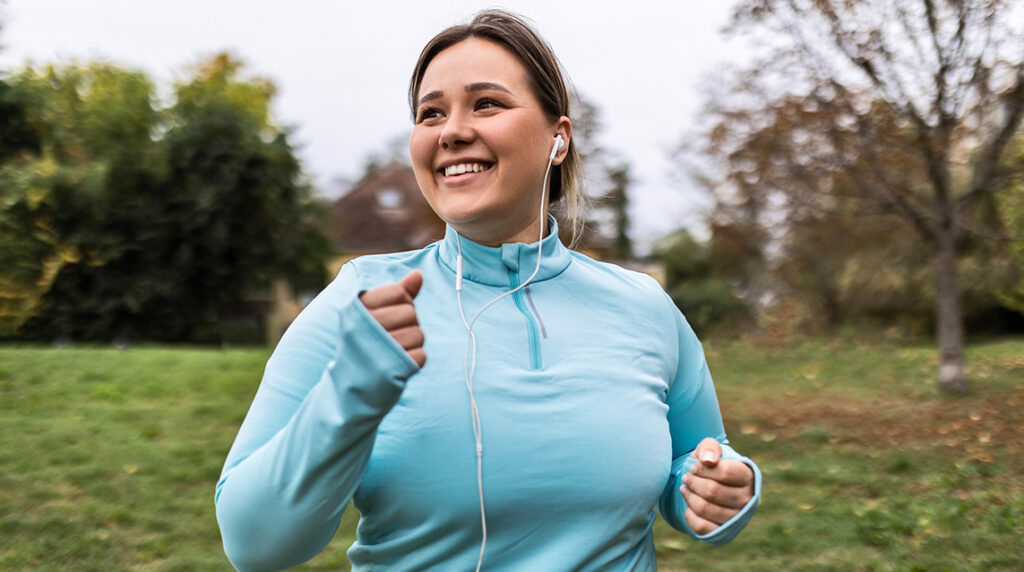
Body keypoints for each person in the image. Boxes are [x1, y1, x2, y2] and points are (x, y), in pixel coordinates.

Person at [215, 10, 761, 571]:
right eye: (431, 113)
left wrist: (718, 487)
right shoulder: (363, 301)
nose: (451, 130)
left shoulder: (644, 307)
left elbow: (691, 462)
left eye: (486, 103)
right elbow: (255, 547)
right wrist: (347, 397)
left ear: (558, 139)